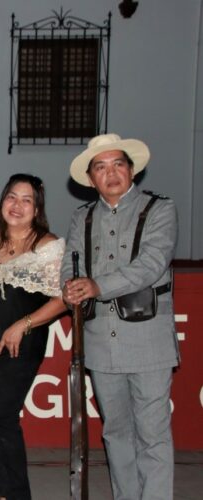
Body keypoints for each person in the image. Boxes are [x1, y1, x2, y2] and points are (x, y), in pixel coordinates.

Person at [61, 134, 179, 500]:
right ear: (91, 178)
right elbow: (69, 265)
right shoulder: (81, 217)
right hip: (99, 341)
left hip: (148, 341)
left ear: (131, 170)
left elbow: (150, 265)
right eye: (101, 167)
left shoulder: (159, 209)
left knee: (153, 434)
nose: (110, 173)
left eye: (118, 164)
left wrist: (95, 286)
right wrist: (70, 289)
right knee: (115, 432)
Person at [0, 174, 66, 500]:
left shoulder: (48, 246)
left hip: (19, 346)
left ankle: (15, 493)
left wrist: (23, 324)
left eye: (27, 200)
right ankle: (7, 491)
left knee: (3, 417)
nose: (18, 205)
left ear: (37, 208)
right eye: (12, 197)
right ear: (2, 201)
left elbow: (64, 298)